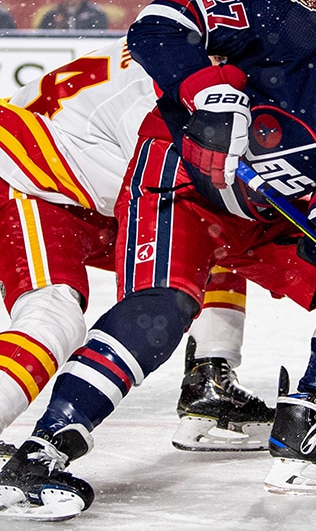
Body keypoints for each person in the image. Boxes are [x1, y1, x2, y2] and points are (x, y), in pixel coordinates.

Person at [0, 0, 316, 517]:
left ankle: (296, 415)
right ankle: (44, 449)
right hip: (95, 174)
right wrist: (202, 92)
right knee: (138, 305)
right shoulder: (282, 18)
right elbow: (163, 23)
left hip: (235, 208)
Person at [0, 37, 274, 461]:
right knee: (53, 317)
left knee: (210, 231)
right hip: (27, 179)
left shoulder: (176, 58)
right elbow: (159, 188)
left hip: (78, 189)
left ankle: (210, 378)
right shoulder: (157, 99)